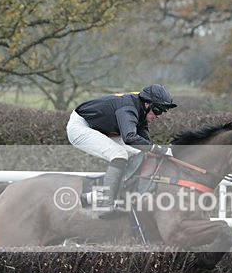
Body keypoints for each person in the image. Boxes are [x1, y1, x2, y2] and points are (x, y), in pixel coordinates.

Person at [66, 84, 177, 216]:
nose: (159, 116)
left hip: (100, 128)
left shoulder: (141, 108)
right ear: (147, 104)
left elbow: (145, 144)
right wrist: (157, 149)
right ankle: (105, 204)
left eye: (163, 112)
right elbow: (130, 137)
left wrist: (156, 150)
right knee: (119, 154)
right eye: (158, 110)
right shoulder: (129, 109)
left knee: (140, 154)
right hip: (81, 126)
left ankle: (114, 194)